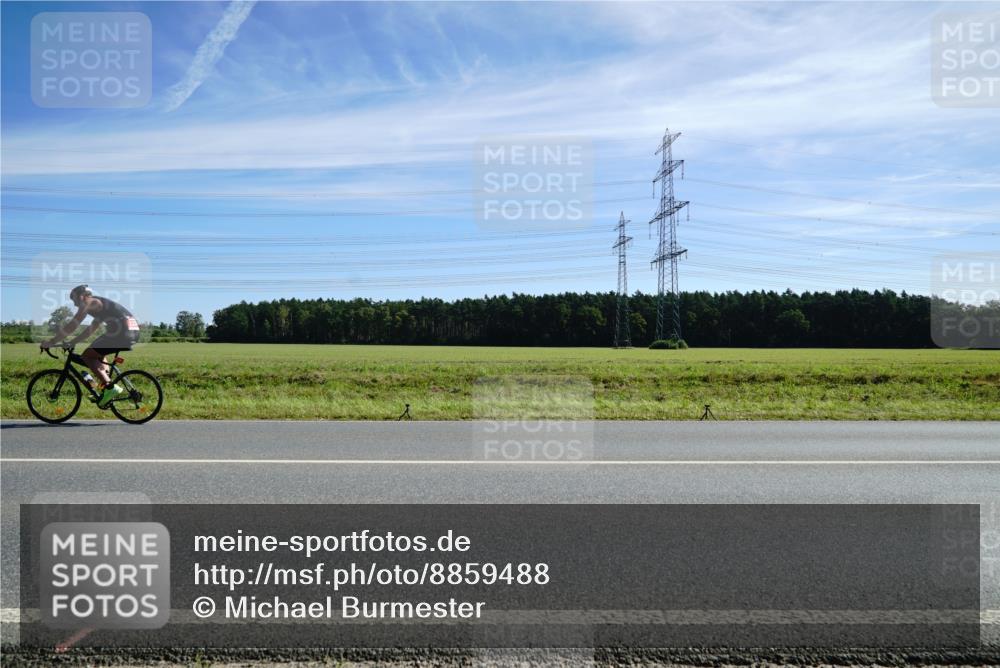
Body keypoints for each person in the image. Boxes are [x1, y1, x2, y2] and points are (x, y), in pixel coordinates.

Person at [41, 285, 141, 408]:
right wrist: (74, 341)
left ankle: (110, 387)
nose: (75, 304)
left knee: (87, 356)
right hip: (130, 331)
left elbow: (73, 324)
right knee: (97, 353)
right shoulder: (99, 305)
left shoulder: (88, 303)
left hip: (122, 332)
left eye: (74, 300)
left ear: (81, 296)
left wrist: (51, 341)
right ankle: (105, 388)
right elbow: (91, 329)